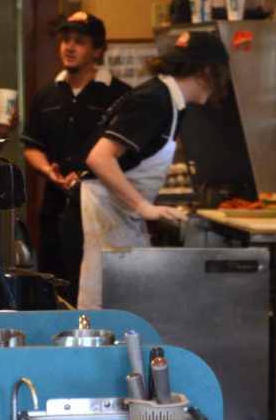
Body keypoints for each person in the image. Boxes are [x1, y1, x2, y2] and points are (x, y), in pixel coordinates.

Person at [77, 29, 230, 309]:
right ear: (208, 71)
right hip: (101, 213)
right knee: (105, 312)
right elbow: (99, 158)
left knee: (123, 308)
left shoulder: (168, 101)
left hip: (116, 216)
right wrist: (142, 206)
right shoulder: (155, 101)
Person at [20, 11, 130, 304]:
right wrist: (48, 170)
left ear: (98, 49)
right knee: (54, 285)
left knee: (96, 290)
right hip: (55, 207)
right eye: (65, 40)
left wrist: (84, 175)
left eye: (79, 41)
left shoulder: (119, 96)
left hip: (102, 208)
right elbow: (30, 144)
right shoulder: (47, 94)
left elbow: (128, 153)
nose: (69, 47)